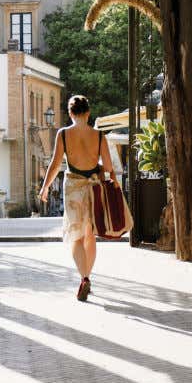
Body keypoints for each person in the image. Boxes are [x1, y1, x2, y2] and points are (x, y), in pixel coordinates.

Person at [37, 95, 117, 302]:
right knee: (90, 234)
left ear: (70, 113)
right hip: (93, 187)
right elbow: (108, 167)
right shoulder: (99, 136)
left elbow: (55, 165)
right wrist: (106, 172)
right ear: (88, 113)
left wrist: (45, 187)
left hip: (73, 187)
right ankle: (87, 277)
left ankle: (84, 278)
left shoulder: (63, 135)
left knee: (76, 236)